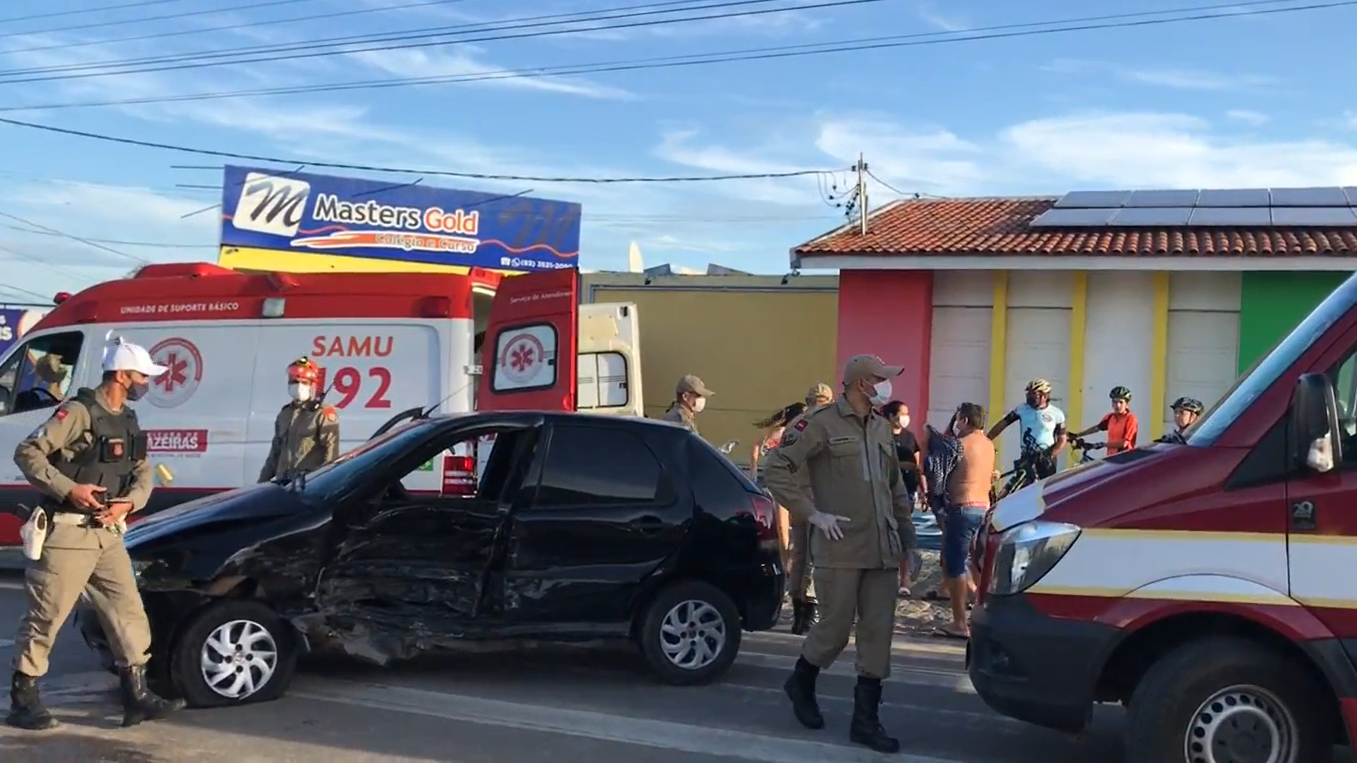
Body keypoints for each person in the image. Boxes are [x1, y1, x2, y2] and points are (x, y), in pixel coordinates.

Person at [8, 339, 186, 730]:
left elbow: (143, 470)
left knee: (128, 614)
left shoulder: (128, 418)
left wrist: (130, 503)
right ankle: (24, 698)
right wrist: (70, 489)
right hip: (67, 533)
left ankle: (136, 696)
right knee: (46, 618)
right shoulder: (77, 412)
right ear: (121, 375)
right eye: (142, 376)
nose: (147, 383)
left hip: (107, 533)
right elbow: (29, 452)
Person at [762, 354, 913, 753]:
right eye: (881, 379)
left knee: (878, 635)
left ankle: (865, 722)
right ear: (863, 383)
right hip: (840, 548)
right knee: (833, 631)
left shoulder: (882, 428)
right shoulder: (820, 423)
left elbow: (894, 487)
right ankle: (802, 680)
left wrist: (908, 542)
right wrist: (811, 512)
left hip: (882, 549)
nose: (887, 385)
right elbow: (775, 470)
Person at [934, 403, 993, 639]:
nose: (956, 422)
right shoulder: (988, 444)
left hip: (962, 507)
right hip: (983, 507)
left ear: (965, 420)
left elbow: (940, 478)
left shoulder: (958, 445)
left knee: (954, 564)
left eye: (958, 418)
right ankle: (984, 611)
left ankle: (960, 623)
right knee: (979, 562)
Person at [258, 357, 340, 484]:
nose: (298, 386)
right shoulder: (285, 414)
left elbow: (331, 454)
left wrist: (324, 482)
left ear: (312, 385)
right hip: (283, 483)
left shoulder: (322, 413)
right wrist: (260, 484)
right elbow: (274, 455)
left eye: (304, 382)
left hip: (307, 484)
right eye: (294, 381)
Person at [749, 402, 808, 557]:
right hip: (779, 480)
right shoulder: (782, 432)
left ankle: (787, 554)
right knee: (783, 523)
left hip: (789, 480)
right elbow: (757, 446)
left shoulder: (795, 431)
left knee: (788, 521)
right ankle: (785, 557)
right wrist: (754, 470)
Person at [879, 400, 922, 596]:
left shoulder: (910, 438)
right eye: (901, 413)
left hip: (906, 494)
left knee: (904, 535)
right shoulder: (879, 436)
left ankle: (904, 579)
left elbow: (917, 466)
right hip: (882, 494)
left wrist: (923, 489)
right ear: (890, 416)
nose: (905, 417)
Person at [986, 378, 1067, 479]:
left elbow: (1062, 439)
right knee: (1022, 486)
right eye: (1028, 393)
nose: (1029, 397)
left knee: (1044, 488)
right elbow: (1003, 424)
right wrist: (986, 440)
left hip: (1046, 458)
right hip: (1026, 456)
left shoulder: (1057, 414)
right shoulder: (1022, 409)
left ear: (1044, 396)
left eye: (1034, 394)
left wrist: (1051, 454)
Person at [1071, 386, 1139, 455]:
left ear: (1127, 405)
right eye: (1115, 402)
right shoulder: (1110, 417)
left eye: (1121, 402)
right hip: (1111, 456)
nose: (1117, 405)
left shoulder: (1130, 419)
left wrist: (1101, 444)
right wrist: (1077, 435)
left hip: (1124, 459)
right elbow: (1096, 428)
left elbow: (1124, 443)